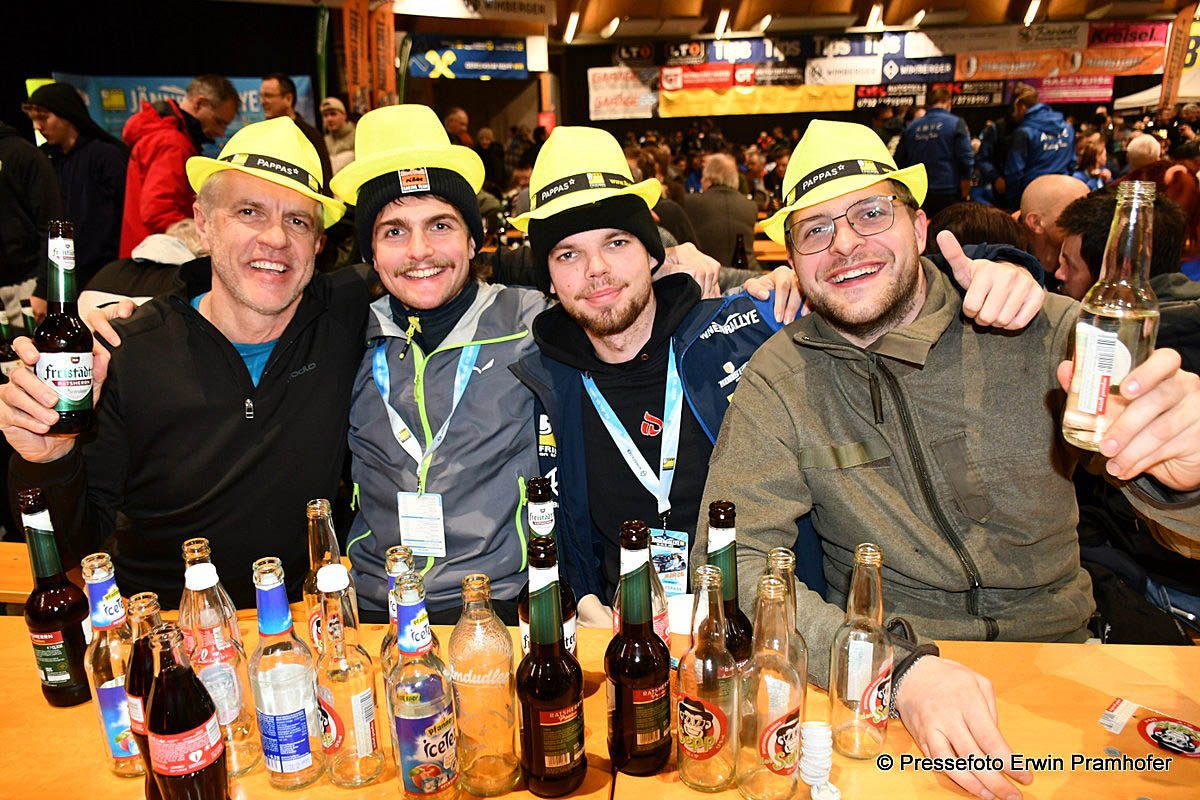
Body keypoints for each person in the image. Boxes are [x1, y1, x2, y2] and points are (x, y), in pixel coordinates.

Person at [695, 119, 1200, 800]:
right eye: (814, 230)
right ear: (792, 260)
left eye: (870, 213)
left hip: (1064, 658)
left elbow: (1182, 531)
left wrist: (1185, 484)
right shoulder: (779, 379)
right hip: (891, 686)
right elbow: (732, 561)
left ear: (919, 226)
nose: (843, 244)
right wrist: (889, 669)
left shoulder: (1042, 331)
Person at [510, 124, 1046, 624]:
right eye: (567, 254)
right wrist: (581, 600)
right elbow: (562, 525)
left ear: (655, 254)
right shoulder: (544, 380)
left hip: (764, 625)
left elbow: (881, 285)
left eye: (617, 242)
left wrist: (1004, 264)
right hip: (628, 631)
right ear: (548, 280)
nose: (597, 270)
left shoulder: (747, 326)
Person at [1, 117, 364, 609]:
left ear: (319, 244)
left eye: (298, 221)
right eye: (249, 212)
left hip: (302, 618)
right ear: (204, 224)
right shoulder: (124, 352)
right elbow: (72, 549)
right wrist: (47, 462)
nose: (276, 238)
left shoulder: (344, 319)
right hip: (164, 625)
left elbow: (421, 266)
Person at [119, 74, 240, 257]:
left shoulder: (165, 136)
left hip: (147, 253)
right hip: (160, 258)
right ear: (199, 103)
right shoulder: (172, 143)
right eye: (219, 122)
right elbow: (158, 210)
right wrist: (206, 239)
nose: (221, 133)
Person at [22, 82, 128, 289]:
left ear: (66, 114)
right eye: (34, 120)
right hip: (63, 268)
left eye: (43, 118)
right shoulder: (48, 159)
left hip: (105, 270)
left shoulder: (106, 155)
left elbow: (126, 209)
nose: (37, 126)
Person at [0, 120, 63, 325]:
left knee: (29, 345)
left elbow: (52, 224)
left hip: (27, 286)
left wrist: (44, 289)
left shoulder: (23, 154)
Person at [894, 87, 974, 217]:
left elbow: (899, 161)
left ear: (928, 104)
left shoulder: (911, 127)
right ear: (948, 104)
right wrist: (966, 187)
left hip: (918, 190)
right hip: (948, 189)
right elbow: (966, 158)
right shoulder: (956, 123)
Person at [683, 154, 759, 268]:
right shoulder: (751, 206)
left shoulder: (690, 202)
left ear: (710, 178)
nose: (701, 181)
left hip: (706, 272)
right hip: (747, 272)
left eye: (703, 177)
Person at [261, 73, 333, 192]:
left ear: (288, 99)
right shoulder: (261, 133)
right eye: (262, 96)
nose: (263, 102)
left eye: (268, 96)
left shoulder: (310, 135)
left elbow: (325, 179)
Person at [1005, 90, 1075, 202]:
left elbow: (1015, 170)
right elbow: (1072, 162)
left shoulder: (1024, 132)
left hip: (1033, 193)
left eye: (1014, 109)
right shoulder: (1068, 128)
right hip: (1063, 191)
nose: (1013, 114)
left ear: (1022, 107)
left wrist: (1012, 198)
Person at [1017, 174, 1089, 278]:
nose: (1088, 219)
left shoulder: (1090, 259)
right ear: (1036, 223)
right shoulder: (1009, 270)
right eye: (1076, 213)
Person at [320, 96, 355, 175]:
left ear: (344, 115)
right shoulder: (324, 141)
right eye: (325, 115)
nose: (329, 119)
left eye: (333, 114)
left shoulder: (357, 137)